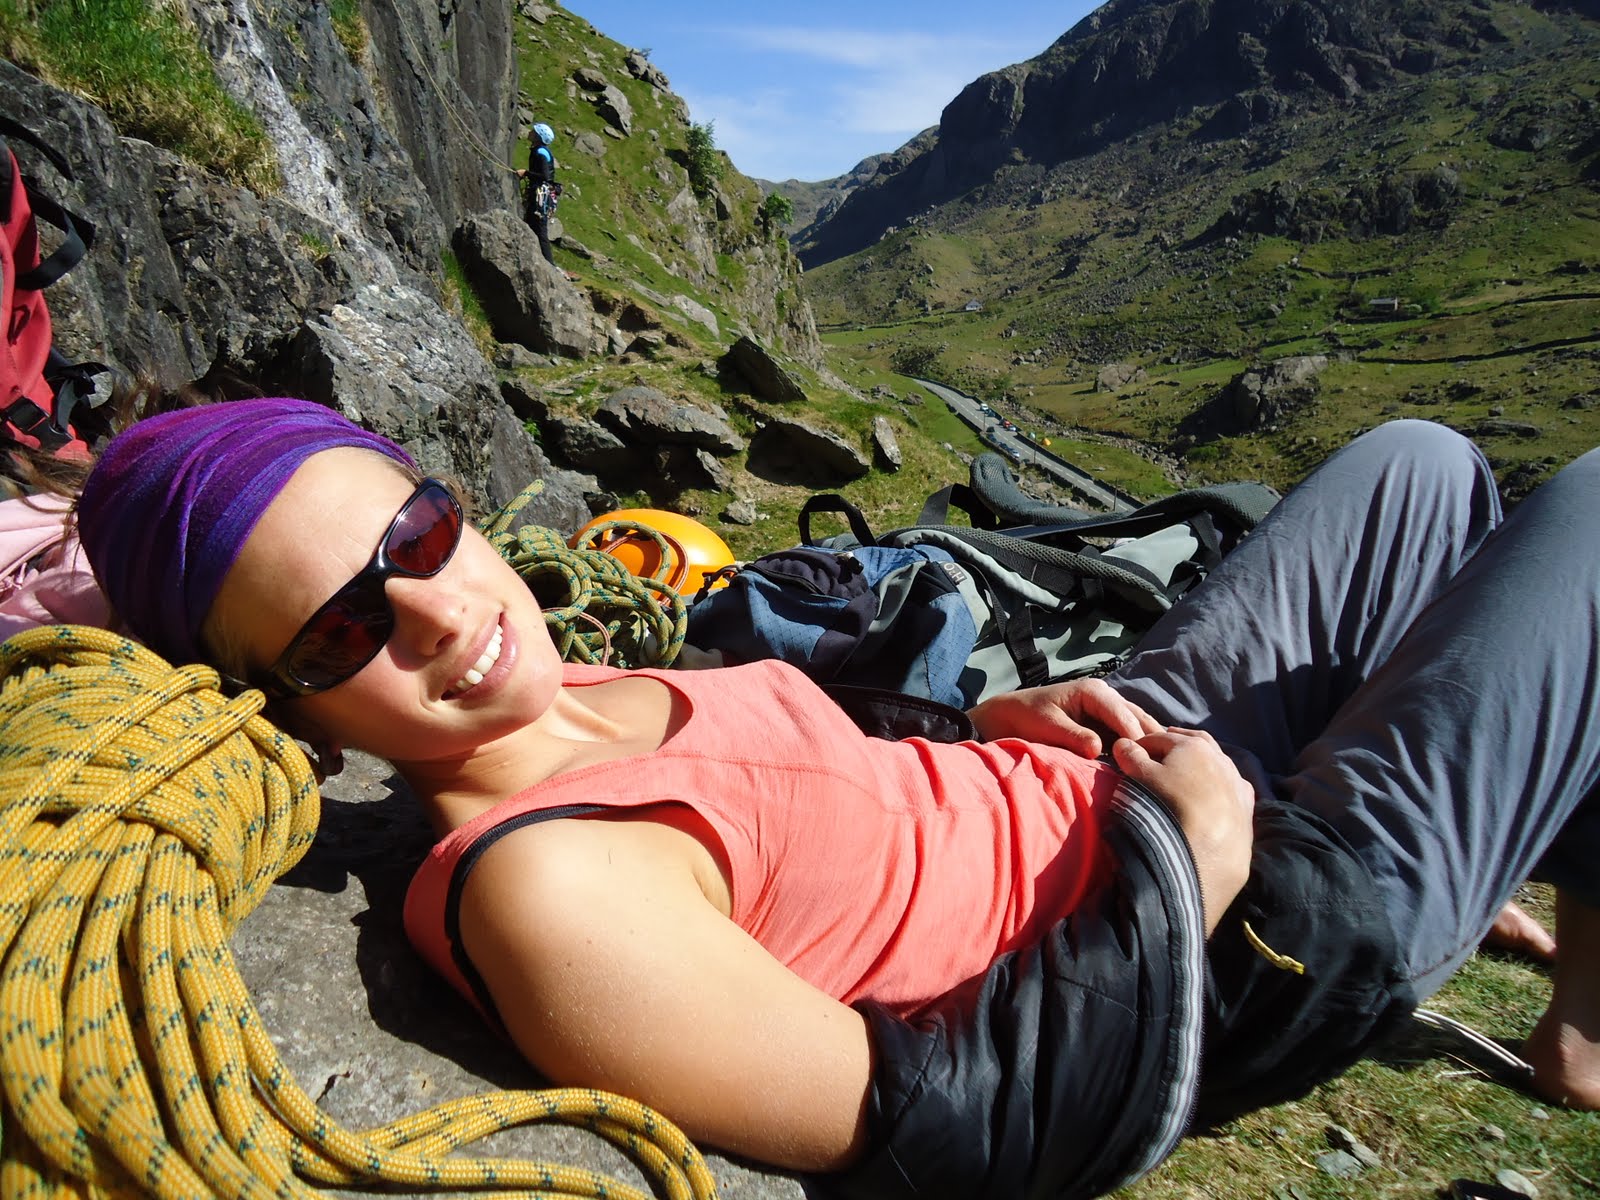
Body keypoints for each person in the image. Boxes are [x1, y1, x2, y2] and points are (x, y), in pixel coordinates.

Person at [73, 400, 1600, 1199]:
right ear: (291, 705)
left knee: (1421, 466)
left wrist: (981, 717)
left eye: (416, 531)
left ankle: (1564, 969)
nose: (436, 614)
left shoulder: (582, 692)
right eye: (344, 631)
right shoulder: (548, 887)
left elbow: (823, 800)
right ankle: (1582, 1017)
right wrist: (1192, 877)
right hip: (1234, 944)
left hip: (1110, 760)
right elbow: (970, 1141)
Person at [516, 121, 558, 266]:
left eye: (534, 131)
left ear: (538, 136)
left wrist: (526, 173)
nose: (530, 132)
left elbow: (545, 176)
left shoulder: (540, 152)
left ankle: (549, 265)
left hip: (541, 195)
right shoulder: (540, 150)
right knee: (532, 224)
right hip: (542, 193)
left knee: (539, 229)